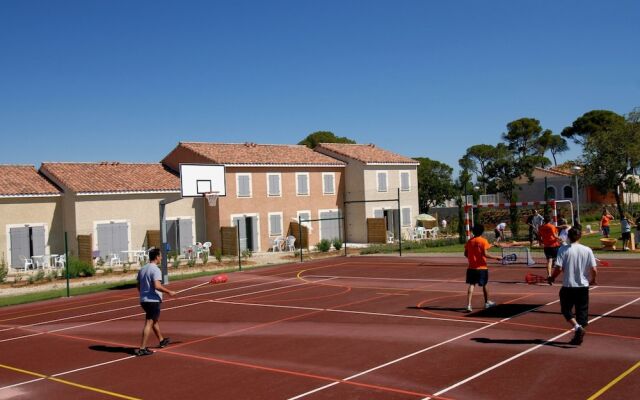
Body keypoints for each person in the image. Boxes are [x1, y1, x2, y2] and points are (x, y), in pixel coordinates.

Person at [548, 228, 598, 345]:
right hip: (583, 286)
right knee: (582, 312)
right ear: (580, 236)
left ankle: (577, 328)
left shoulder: (563, 249)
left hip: (568, 286)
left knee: (566, 310)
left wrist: (552, 277)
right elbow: (594, 269)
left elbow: (559, 268)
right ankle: (578, 332)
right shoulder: (587, 250)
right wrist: (593, 280)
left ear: (568, 237)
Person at [135, 248, 176, 356]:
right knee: (149, 322)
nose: (162, 257)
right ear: (157, 257)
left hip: (144, 300)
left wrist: (144, 294)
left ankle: (161, 340)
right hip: (152, 300)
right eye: (161, 255)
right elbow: (157, 286)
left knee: (154, 321)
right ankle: (142, 348)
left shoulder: (142, 269)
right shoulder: (155, 269)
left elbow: (138, 286)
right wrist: (169, 292)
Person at [464, 224, 502, 312]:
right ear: (482, 232)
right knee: (484, 284)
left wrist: (492, 244)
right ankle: (487, 303)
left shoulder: (469, 241)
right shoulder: (483, 241)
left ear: (473, 231)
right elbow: (485, 254)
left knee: (472, 284)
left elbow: (466, 254)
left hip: (471, 267)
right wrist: (496, 257)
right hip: (482, 267)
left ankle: (469, 305)